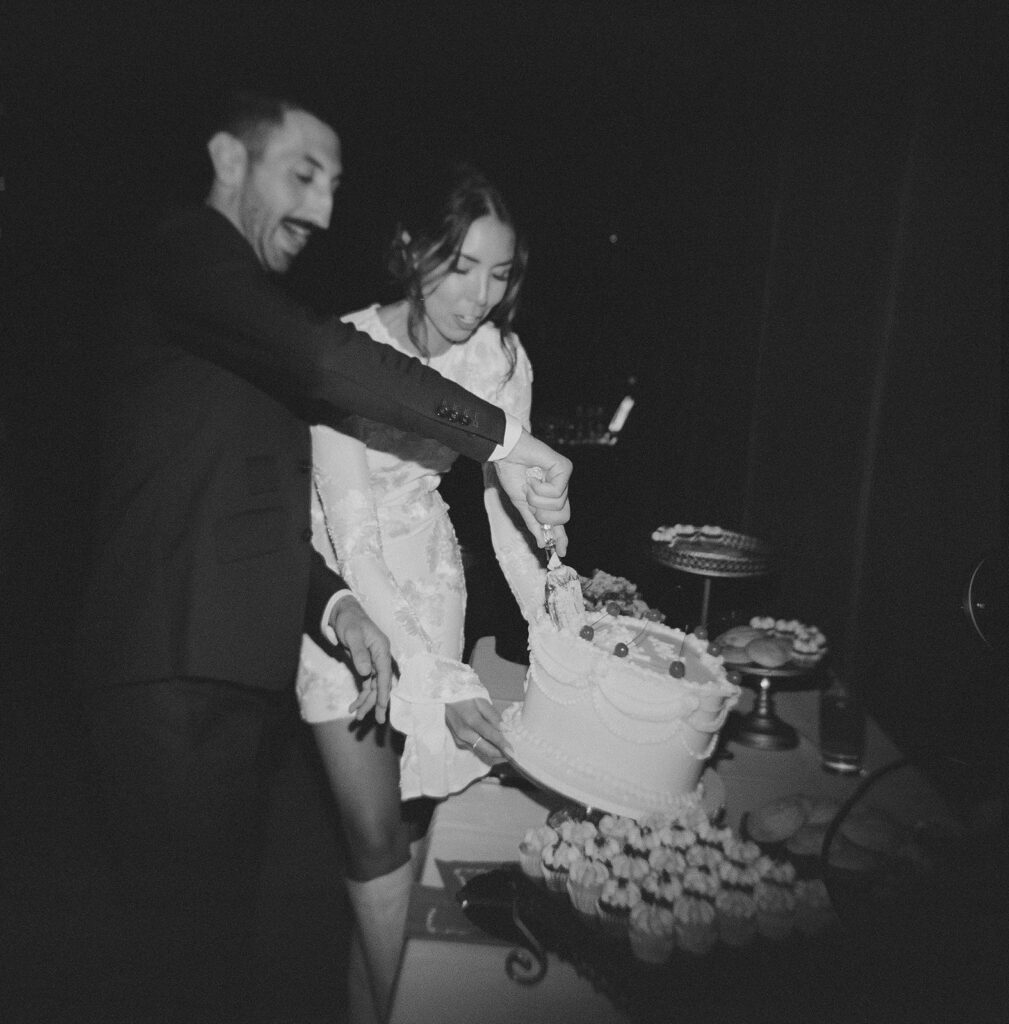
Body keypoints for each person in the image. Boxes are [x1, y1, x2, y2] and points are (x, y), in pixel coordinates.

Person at [73, 90, 570, 1023]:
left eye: (335, 185)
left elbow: (253, 503)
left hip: (229, 659)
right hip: (163, 660)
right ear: (228, 158)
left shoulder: (243, 308)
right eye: (302, 174)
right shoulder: (184, 252)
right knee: (182, 953)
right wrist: (502, 439)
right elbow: (334, 367)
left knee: (213, 944)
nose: (323, 208)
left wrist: (336, 605)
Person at [296, 162, 552, 1022]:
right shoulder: (346, 344)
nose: (478, 294)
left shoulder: (501, 358)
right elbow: (353, 527)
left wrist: (556, 598)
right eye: (460, 266)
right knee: (371, 838)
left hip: (434, 579)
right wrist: (431, 676)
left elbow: (506, 498)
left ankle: (371, 994)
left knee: (409, 822)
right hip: (345, 594)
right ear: (412, 253)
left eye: (498, 272)